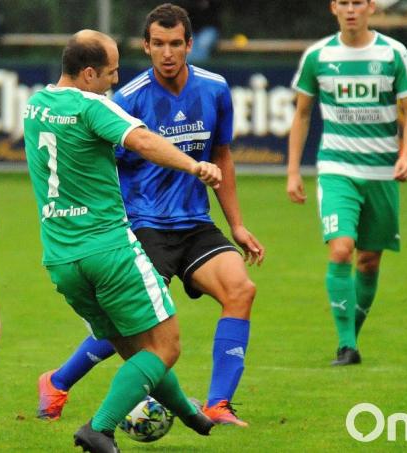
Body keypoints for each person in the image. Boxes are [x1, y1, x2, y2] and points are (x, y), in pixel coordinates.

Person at [37, 3, 264, 427]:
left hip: (195, 223)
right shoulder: (124, 98)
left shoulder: (214, 90)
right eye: (158, 44)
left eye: (176, 43)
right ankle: (59, 380)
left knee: (241, 290)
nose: (167, 53)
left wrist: (236, 224)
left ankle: (218, 404)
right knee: (137, 322)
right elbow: (101, 165)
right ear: (145, 46)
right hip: (143, 224)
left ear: (189, 44)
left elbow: (222, 157)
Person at [23, 29, 221, 453]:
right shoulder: (92, 106)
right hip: (109, 250)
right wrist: (194, 166)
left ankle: (189, 413)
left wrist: (188, 414)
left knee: (135, 348)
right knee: (166, 346)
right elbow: (143, 141)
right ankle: (100, 427)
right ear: (89, 73)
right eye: (111, 73)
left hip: (61, 259)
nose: (115, 81)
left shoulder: (36, 105)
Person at [287, 0, 407, 366]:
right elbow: (301, 114)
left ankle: (351, 339)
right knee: (341, 249)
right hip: (337, 169)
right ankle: (347, 346)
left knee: (369, 261)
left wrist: (405, 155)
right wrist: (293, 171)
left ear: (370, 8)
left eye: (357, 3)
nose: (350, 10)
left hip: (381, 173)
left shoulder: (394, 53)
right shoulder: (318, 55)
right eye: (343, 3)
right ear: (333, 8)